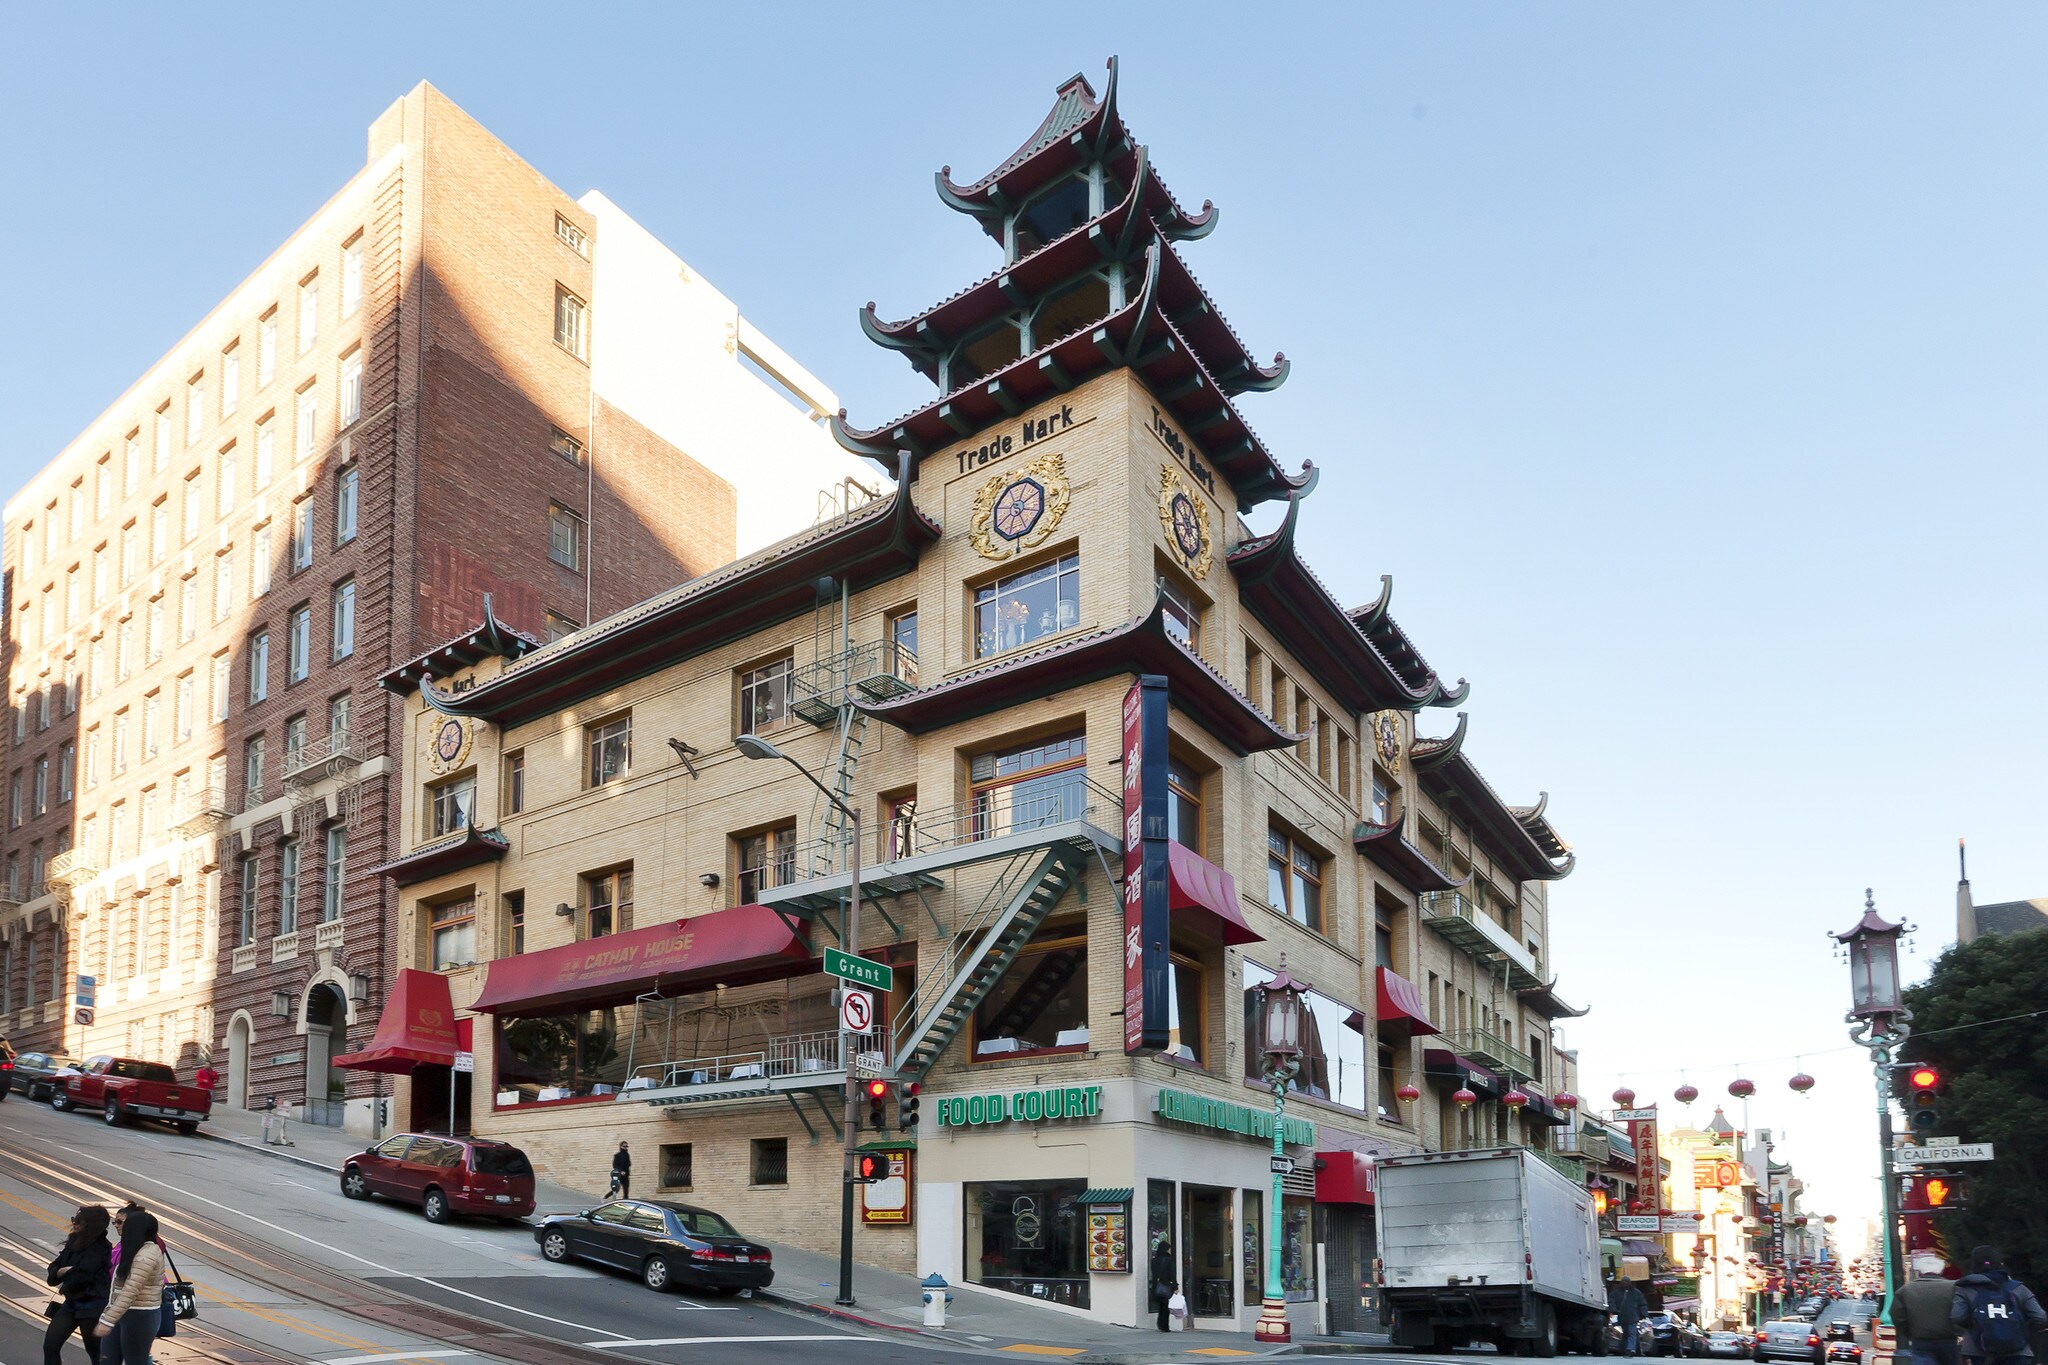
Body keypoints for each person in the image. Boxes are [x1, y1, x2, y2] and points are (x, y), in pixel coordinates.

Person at [1952, 1246, 2047, 1365]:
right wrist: (2021, 1329)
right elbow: (2040, 1317)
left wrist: (1975, 1324)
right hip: (2017, 1350)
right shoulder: (2018, 1288)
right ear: (1999, 1263)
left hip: (1979, 1350)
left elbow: (1956, 1316)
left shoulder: (1966, 1289)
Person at [43, 1203, 112, 1365]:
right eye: (74, 1219)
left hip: (92, 1306)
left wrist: (65, 1272)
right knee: (50, 1345)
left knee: (95, 1353)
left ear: (91, 1224)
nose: (74, 1223)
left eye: (79, 1220)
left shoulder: (101, 1247)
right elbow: (55, 1266)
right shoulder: (74, 1240)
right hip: (72, 1303)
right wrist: (62, 1272)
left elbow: (83, 1276)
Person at [95, 1209, 165, 1365]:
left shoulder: (146, 1256)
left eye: (124, 1225)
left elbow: (130, 1290)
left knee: (135, 1361)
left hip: (140, 1316)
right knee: (108, 1360)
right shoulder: (134, 1250)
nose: (118, 1227)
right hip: (123, 1313)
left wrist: (107, 1320)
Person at [1895, 1254, 1963, 1365]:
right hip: (1948, 1339)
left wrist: (1909, 1332)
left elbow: (1898, 1316)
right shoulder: (1954, 1287)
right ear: (1940, 1271)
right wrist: (1958, 1331)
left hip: (1920, 1340)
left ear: (1920, 1272)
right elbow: (1961, 1312)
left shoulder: (1906, 1290)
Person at [1609, 1277, 1649, 1357]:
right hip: (1624, 1317)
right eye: (1624, 1282)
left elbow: (1642, 1304)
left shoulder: (1635, 1293)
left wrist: (1644, 1314)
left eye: (1626, 1282)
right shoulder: (1634, 1292)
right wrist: (1614, 1310)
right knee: (1627, 1333)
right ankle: (1627, 1349)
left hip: (1631, 1317)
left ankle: (1630, 1349)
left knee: (1631, 1333)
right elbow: (1611, 1302)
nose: (1625, 1283)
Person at [1150, 1236, 1177, 1332]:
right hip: (1165, 1285)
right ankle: (1165, 1326)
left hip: (1156, 1286)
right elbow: (1172, 1274)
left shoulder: (1154, 1260)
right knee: (1166, 1307)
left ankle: (1160, 1324)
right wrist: (1175, 1286)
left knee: (1160, 1306)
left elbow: (1154, 1273)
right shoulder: (1168, 1260)